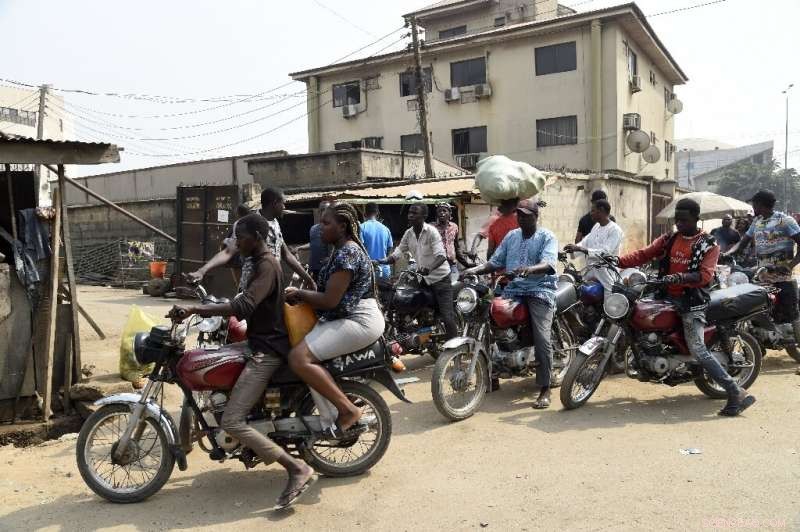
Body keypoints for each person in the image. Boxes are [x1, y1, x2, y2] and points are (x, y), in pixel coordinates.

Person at [168, 214, 317, 509]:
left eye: (241, 237)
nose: (237, 243)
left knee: (232, 420)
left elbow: (244, 305)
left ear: (257, 237)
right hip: (256, 342)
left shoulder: (267, 266)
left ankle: (297, 468)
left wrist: (197, 308)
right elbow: (240, 294)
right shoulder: (255, 262)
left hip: (268, 350)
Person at [618, 198, 755, 416]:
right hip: (665, 297)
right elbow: (644, 254)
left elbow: (705, 275)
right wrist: (617, 262)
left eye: (684, 220)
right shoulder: (669, 239)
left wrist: (680, 277)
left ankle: (736, 391)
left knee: (698, 349)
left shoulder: (709, 245)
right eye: (677, 220)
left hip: (692, 303)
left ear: (696, 219)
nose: (679, 224)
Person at [285, 203, 385, 433]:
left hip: (359, 320)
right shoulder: (339, 250)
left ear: (343, 226)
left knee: (299, 358)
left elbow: (330, 300)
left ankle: (347, 410)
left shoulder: (348, 252)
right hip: (348, 316)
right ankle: (327, 416)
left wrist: (300, 294)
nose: (321, 228)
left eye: (326, 223)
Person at [462, 199, 558, 409]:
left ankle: (545, 388)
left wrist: (530, 269)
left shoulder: (546, 236)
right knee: (489, 319)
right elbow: (495, 262)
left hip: (539, 290)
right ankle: (492, 375)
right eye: (519, 215)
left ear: (535, 216)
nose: (521, 218)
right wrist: (473, 270)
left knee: (542, 337)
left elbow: (549, 263)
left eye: (526, 215)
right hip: (513, 290)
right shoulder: (511, 236)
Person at [188, 187, 317, 291]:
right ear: (275, 203)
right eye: (283, 203)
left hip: (271, 287)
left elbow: (286, 255)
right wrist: (202, 271)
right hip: (253, 289)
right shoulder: (250, 224)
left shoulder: (275, 223)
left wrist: (308, 279)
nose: (284, 207)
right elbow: (228, 251)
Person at [725, 189, 800, 361]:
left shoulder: (785, 221)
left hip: (783, 280)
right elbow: (742, 244)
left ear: (761, 204)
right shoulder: (757, 222)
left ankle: (791, 344)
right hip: (761, 280)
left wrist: (789, 265)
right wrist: (727, 254)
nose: (753, 207)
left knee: (788, 320)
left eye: (754, 204)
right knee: (759, 315)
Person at [376, 203, 458, 340]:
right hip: (422, 279)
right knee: (411, 304)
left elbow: (441, 255)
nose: (410, 215)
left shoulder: (432, 232)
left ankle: (456, 346)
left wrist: (430, 268)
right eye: (409, 212)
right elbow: (398, 252)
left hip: (440, 279)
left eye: (414, 213)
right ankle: (416, 333)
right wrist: (382, 261)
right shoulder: (409, 234)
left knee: (447, 316)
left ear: (424, 216)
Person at [563, 199, 624, 299]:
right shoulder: (596, 226)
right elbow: (585, 242)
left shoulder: (615, 230)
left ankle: (608, 313)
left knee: (609, 292)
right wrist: (571, 250)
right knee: (580, 290)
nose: (591, 214)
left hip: (607, 272)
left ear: (601, 211)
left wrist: (580, 249)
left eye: (593, 210)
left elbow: (605, 252)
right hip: (591, 269)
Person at [433, 202, 474, 281]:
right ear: (437, 214)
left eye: (444, 211)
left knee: (454, 288)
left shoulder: (454, 227)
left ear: (450, 213)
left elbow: (456, 247)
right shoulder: (431, 228)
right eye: (439, 211)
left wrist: (466, 264)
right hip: (436, 268)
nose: (442, 213)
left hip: (452, 266)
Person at [360, 202, 393, 278]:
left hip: (368, 271)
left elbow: (360, 248)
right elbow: (390, 248)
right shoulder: (386, 229)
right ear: (377, 213)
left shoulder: (362, 227)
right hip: (384, 271)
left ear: (365, 214)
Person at [308, 200, 332, 283]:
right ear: (319, 212)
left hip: (328, 268)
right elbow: (313, 244)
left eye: (326, 210)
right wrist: (299, 247)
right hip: (315, 268)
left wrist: (329, 259)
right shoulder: (313, 229)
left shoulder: (333, 228)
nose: (324, 212)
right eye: (322, 210)